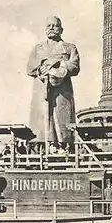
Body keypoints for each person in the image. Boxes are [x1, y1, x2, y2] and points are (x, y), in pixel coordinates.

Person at [27, 16, 80, 145]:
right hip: (41, 90)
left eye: (55, 25)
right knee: (41, 125)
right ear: (45, 29)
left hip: (62, 92)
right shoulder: (37, 48)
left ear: (61, 29)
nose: (51, 28)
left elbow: (75, 66)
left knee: (62, 124)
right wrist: (41, 69)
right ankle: (39, 148)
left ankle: (64, 148)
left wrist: (60, 65)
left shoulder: (69, 48)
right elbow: (29, 68)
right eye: (48, 26)